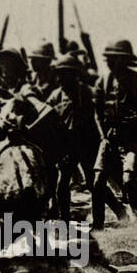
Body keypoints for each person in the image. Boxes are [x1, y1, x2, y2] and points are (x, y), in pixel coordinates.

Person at [91, 39, 137, 228]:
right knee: (98, 181)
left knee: (128, 178)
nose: (108, 62)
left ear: (123, 60)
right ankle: (98, 224)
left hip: (131, 137)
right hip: (109, 137)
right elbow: (97, 112)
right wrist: (103, 136)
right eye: (108, 59)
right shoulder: (103, 81)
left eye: (112, 58)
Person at [47, 53, 99, 222]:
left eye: (66, 73)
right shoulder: (56, 96)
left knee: (93, 183)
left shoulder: (87, 92)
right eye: (60, 73)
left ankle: (101, 220)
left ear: (74, 74)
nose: (62, 77)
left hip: (87, 143)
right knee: (62, 185)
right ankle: (64, 219)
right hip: (66, 145)